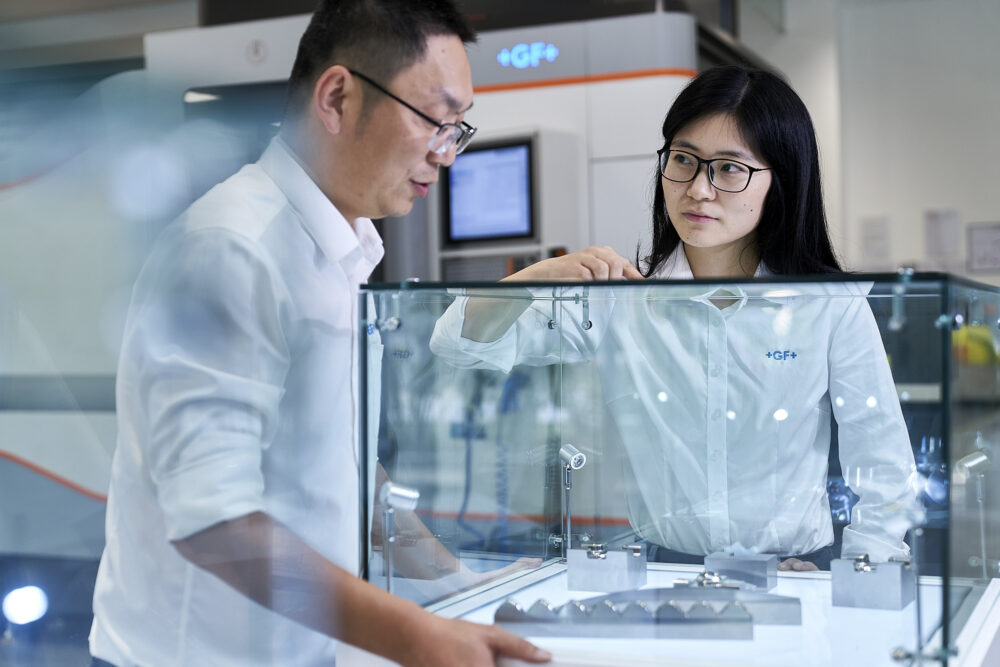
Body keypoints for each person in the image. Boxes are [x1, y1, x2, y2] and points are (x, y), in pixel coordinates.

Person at [89, 1, 552, 665]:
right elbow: (212, 520)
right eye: (434, 120)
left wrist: (464, 587)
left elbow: (345, 465)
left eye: (458, 129)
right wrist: (416, 637)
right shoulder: (231, 247)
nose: (445, 155)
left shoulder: (347, 248)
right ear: (337, 96)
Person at [430, 65, 920, 572]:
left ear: (781, 181)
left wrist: (858, 576)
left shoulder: (828, 306)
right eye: (683, 160)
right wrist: (541, 275)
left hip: (797, 572)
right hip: (663, 574)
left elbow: (884, 466)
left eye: (730, 168)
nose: (698, 189)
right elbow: (457, 344)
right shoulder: (621, 300)